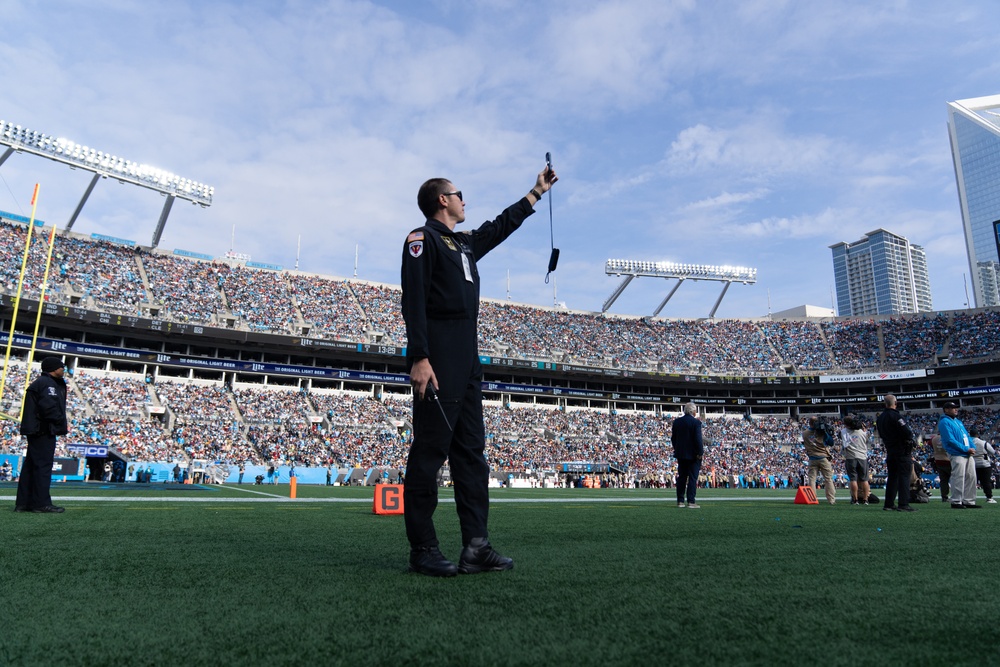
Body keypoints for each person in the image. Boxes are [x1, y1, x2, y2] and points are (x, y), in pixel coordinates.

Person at [400, 164, 557, 577]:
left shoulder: (463, 244)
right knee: (430, 453)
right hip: (439, 357)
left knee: (472, 456)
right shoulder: (422, 240)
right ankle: (423, 548)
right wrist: (419, 356)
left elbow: (499, 227)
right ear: (442, 200)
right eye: (459, 194)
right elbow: (413, 299)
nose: (464, 200)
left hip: (468, 361)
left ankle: (476, 546)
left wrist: (535, 193)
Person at [14, 357, 69, 513]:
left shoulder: (42, 383)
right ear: (53, 368)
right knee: (43, 467)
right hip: (43, 430)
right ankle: (41, 503)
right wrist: (60, 422)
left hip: (36, 429)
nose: (63, 369)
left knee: (31, 467)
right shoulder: (48, 384)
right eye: (61, 367)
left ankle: (24, 503)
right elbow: (48, 408)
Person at [875, 394, 917, 512]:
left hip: (890, 450)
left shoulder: (880, 418)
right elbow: (907, 432)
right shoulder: (896, 416)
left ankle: (889, 503)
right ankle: (903, 504)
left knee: (892, 477)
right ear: (895, 403)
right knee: (904, 476)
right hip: (901, 450)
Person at [939, 402, 980, 509]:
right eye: (953, 408)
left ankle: (969, 501)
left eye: (956, 407)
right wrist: (966, 449)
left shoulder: (958, 421)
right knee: (958, 477)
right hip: (957, 453)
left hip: (967, 453)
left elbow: (967, 436)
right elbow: (950, 440)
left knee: (971, 477)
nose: (956, 409)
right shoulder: (944, 422)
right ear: (946, 410)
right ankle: (956, 501)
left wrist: (973, 448)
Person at [671, 402, 704, 508]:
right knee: (692, 478)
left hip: (681, 454)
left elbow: (673, 438)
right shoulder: (696, 423)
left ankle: (680, 501)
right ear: (693, 411)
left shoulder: (677, 422)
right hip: (693, 455)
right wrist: (700, 453)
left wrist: (677, 449)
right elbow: (698, 440)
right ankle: (691, 501)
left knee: (682, 478)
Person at [802, 417, 837, 505]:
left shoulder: (805, 433)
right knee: (828, 479)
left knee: (812, 479)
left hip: (812, 458)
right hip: (823, 457)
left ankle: (812, 498)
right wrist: (825, 432)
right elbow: (831, 442)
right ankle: (831, 499)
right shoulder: (821, 433)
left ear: (810, 423)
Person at [840, 415, 870, 505]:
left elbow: (844, 443)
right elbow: (867, 441)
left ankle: (855, 499)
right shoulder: (862, 432)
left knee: (853, 479)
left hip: (851, 457)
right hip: (862, 457)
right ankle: (865, 499)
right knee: (864, 479)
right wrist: (864, 430)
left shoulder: (844, 432)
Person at [969, 428, 997, 504]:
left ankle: (969, 498)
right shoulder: (983, 443)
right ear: (977, 435)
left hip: (972, 464)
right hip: (984, 464)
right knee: (986, 482)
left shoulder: (967, 442)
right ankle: (989, 497)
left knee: (971, 482)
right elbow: (993, 452)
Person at [930, 432, 951, 502]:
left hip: (938, 460)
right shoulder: (947, 437)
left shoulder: (934, 439)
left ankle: (944, 497)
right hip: (948, 460)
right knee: (955, 479)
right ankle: (956, 496)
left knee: (943, 480)